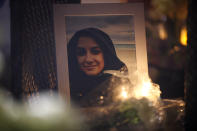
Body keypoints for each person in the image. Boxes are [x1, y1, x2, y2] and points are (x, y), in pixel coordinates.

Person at [67, 28, 130, 107]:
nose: (88, 59)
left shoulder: (120, 87)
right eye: (81, 53)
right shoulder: (64, 88)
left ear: (106, 55)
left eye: (95, 52)